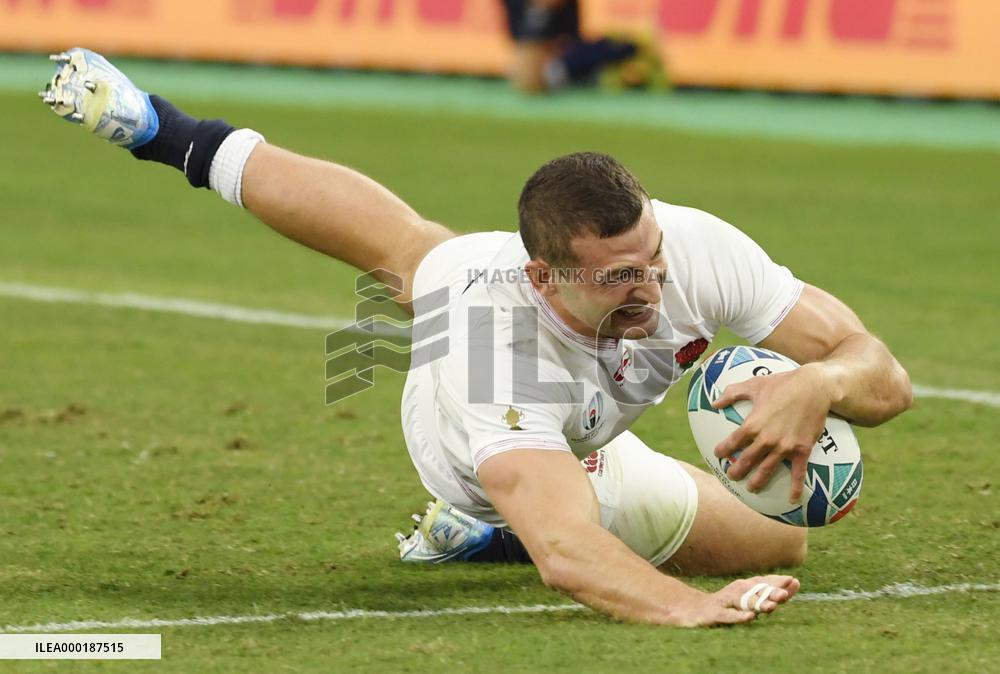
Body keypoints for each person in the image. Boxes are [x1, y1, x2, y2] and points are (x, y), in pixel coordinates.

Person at [40, 48, 912, 627]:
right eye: (619, 277)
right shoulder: (489, 340)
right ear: (546, 277)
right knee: (415, 258)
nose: (651, 289)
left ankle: (484, 533)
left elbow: (884, 374)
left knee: (783, 538)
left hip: (588, 432)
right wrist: (687, 608)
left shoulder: (692, 246)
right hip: (480, 440)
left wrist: (819, 384)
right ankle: (474, 517)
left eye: (651, 262)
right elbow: (570, 559)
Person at [500, 0, 657, 92]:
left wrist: (538, 16)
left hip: (561, 45)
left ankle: (626, 49)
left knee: (532, 78)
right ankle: (616, 52)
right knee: (525, 78)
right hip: (544, 48)